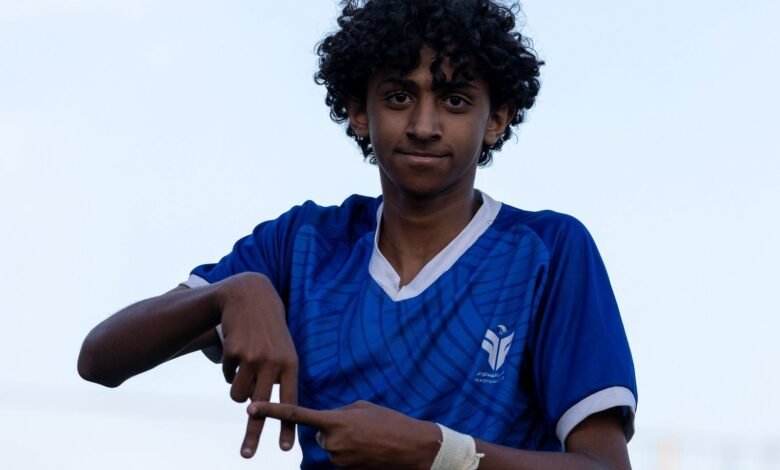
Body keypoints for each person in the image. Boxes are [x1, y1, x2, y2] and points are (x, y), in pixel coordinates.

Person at [78, 0, 638, 468]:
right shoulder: (303, 244)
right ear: (358, 111)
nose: (423, 125)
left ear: (496, 119)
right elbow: (100, 359)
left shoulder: (547, 251)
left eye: (454, 100)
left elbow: (605, 466)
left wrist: (438, 452)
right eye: (398, 96)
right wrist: (230, 292)